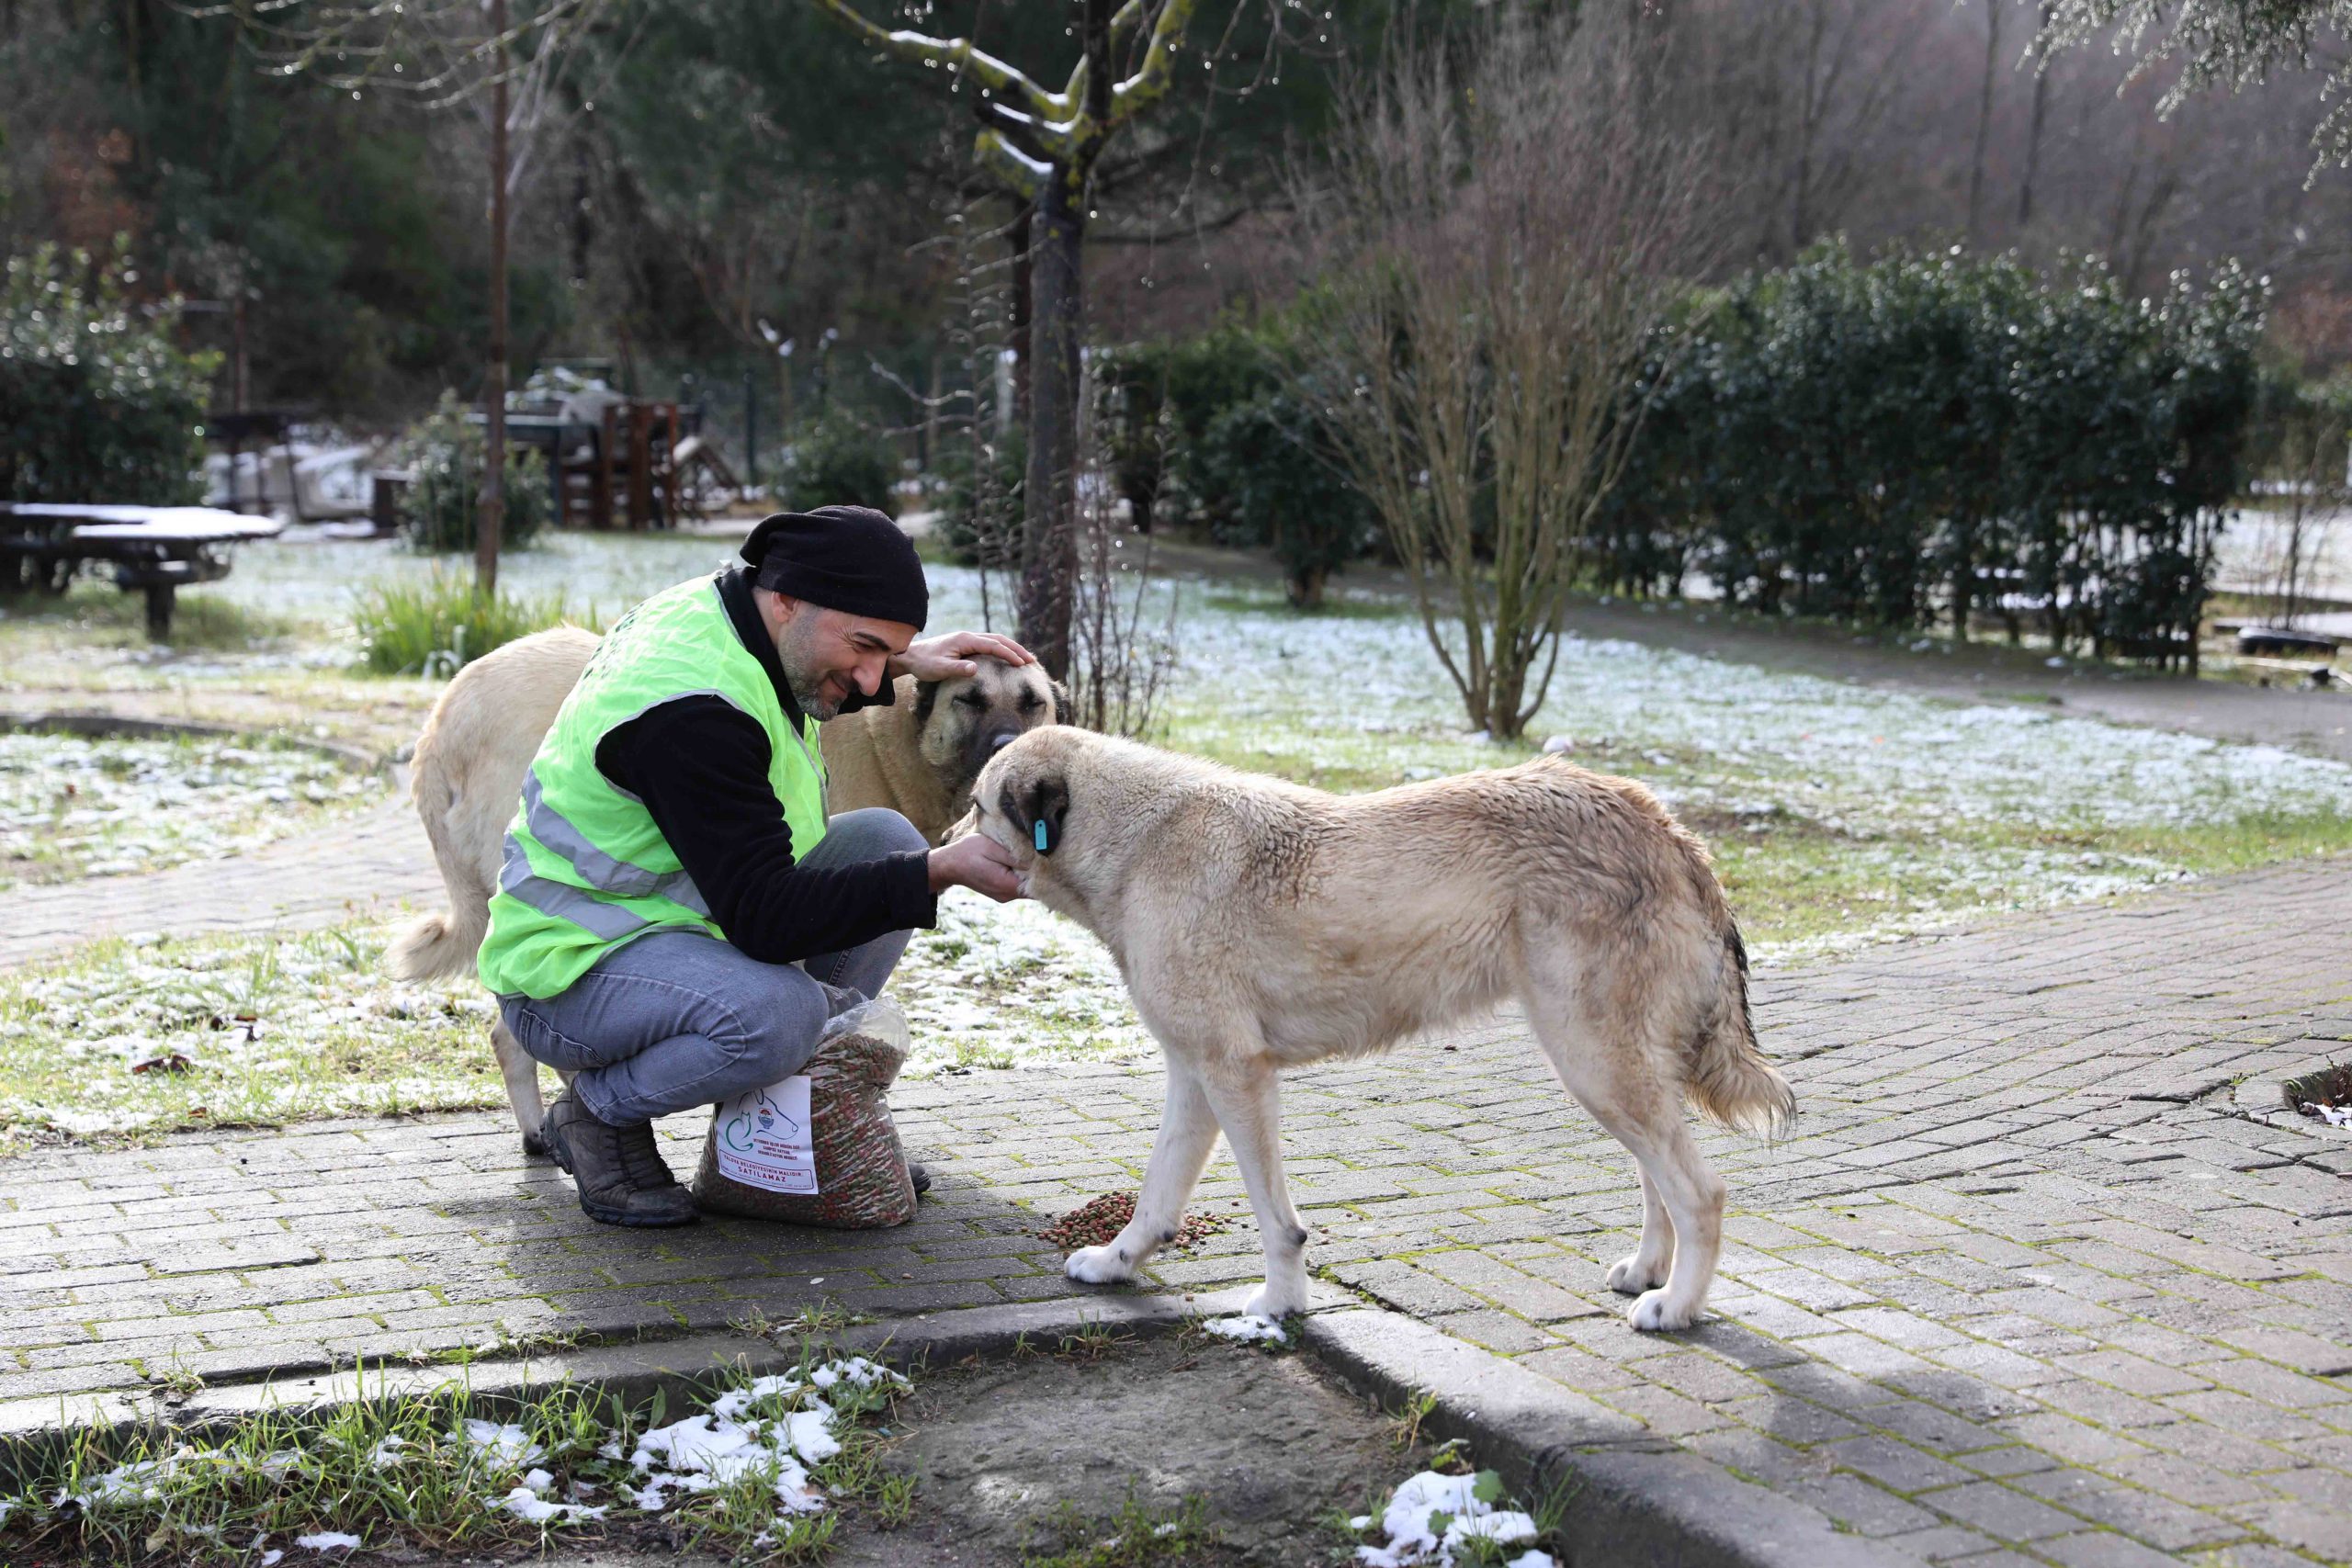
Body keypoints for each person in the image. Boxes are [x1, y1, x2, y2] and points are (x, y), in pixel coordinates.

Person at [476, 504, 1029, 1225]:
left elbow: (810, 651)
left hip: (669, 928)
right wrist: (940, 870)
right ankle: (594, 1114)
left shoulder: (733, 610)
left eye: (884, 654)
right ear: (789, 598)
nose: (870, 683)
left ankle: (773, 1131)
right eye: (863, 647)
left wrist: (900, 657)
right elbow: (767, 919)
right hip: (572, 969)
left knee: (887, 840)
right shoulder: (692, 711)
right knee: (779, 1014)